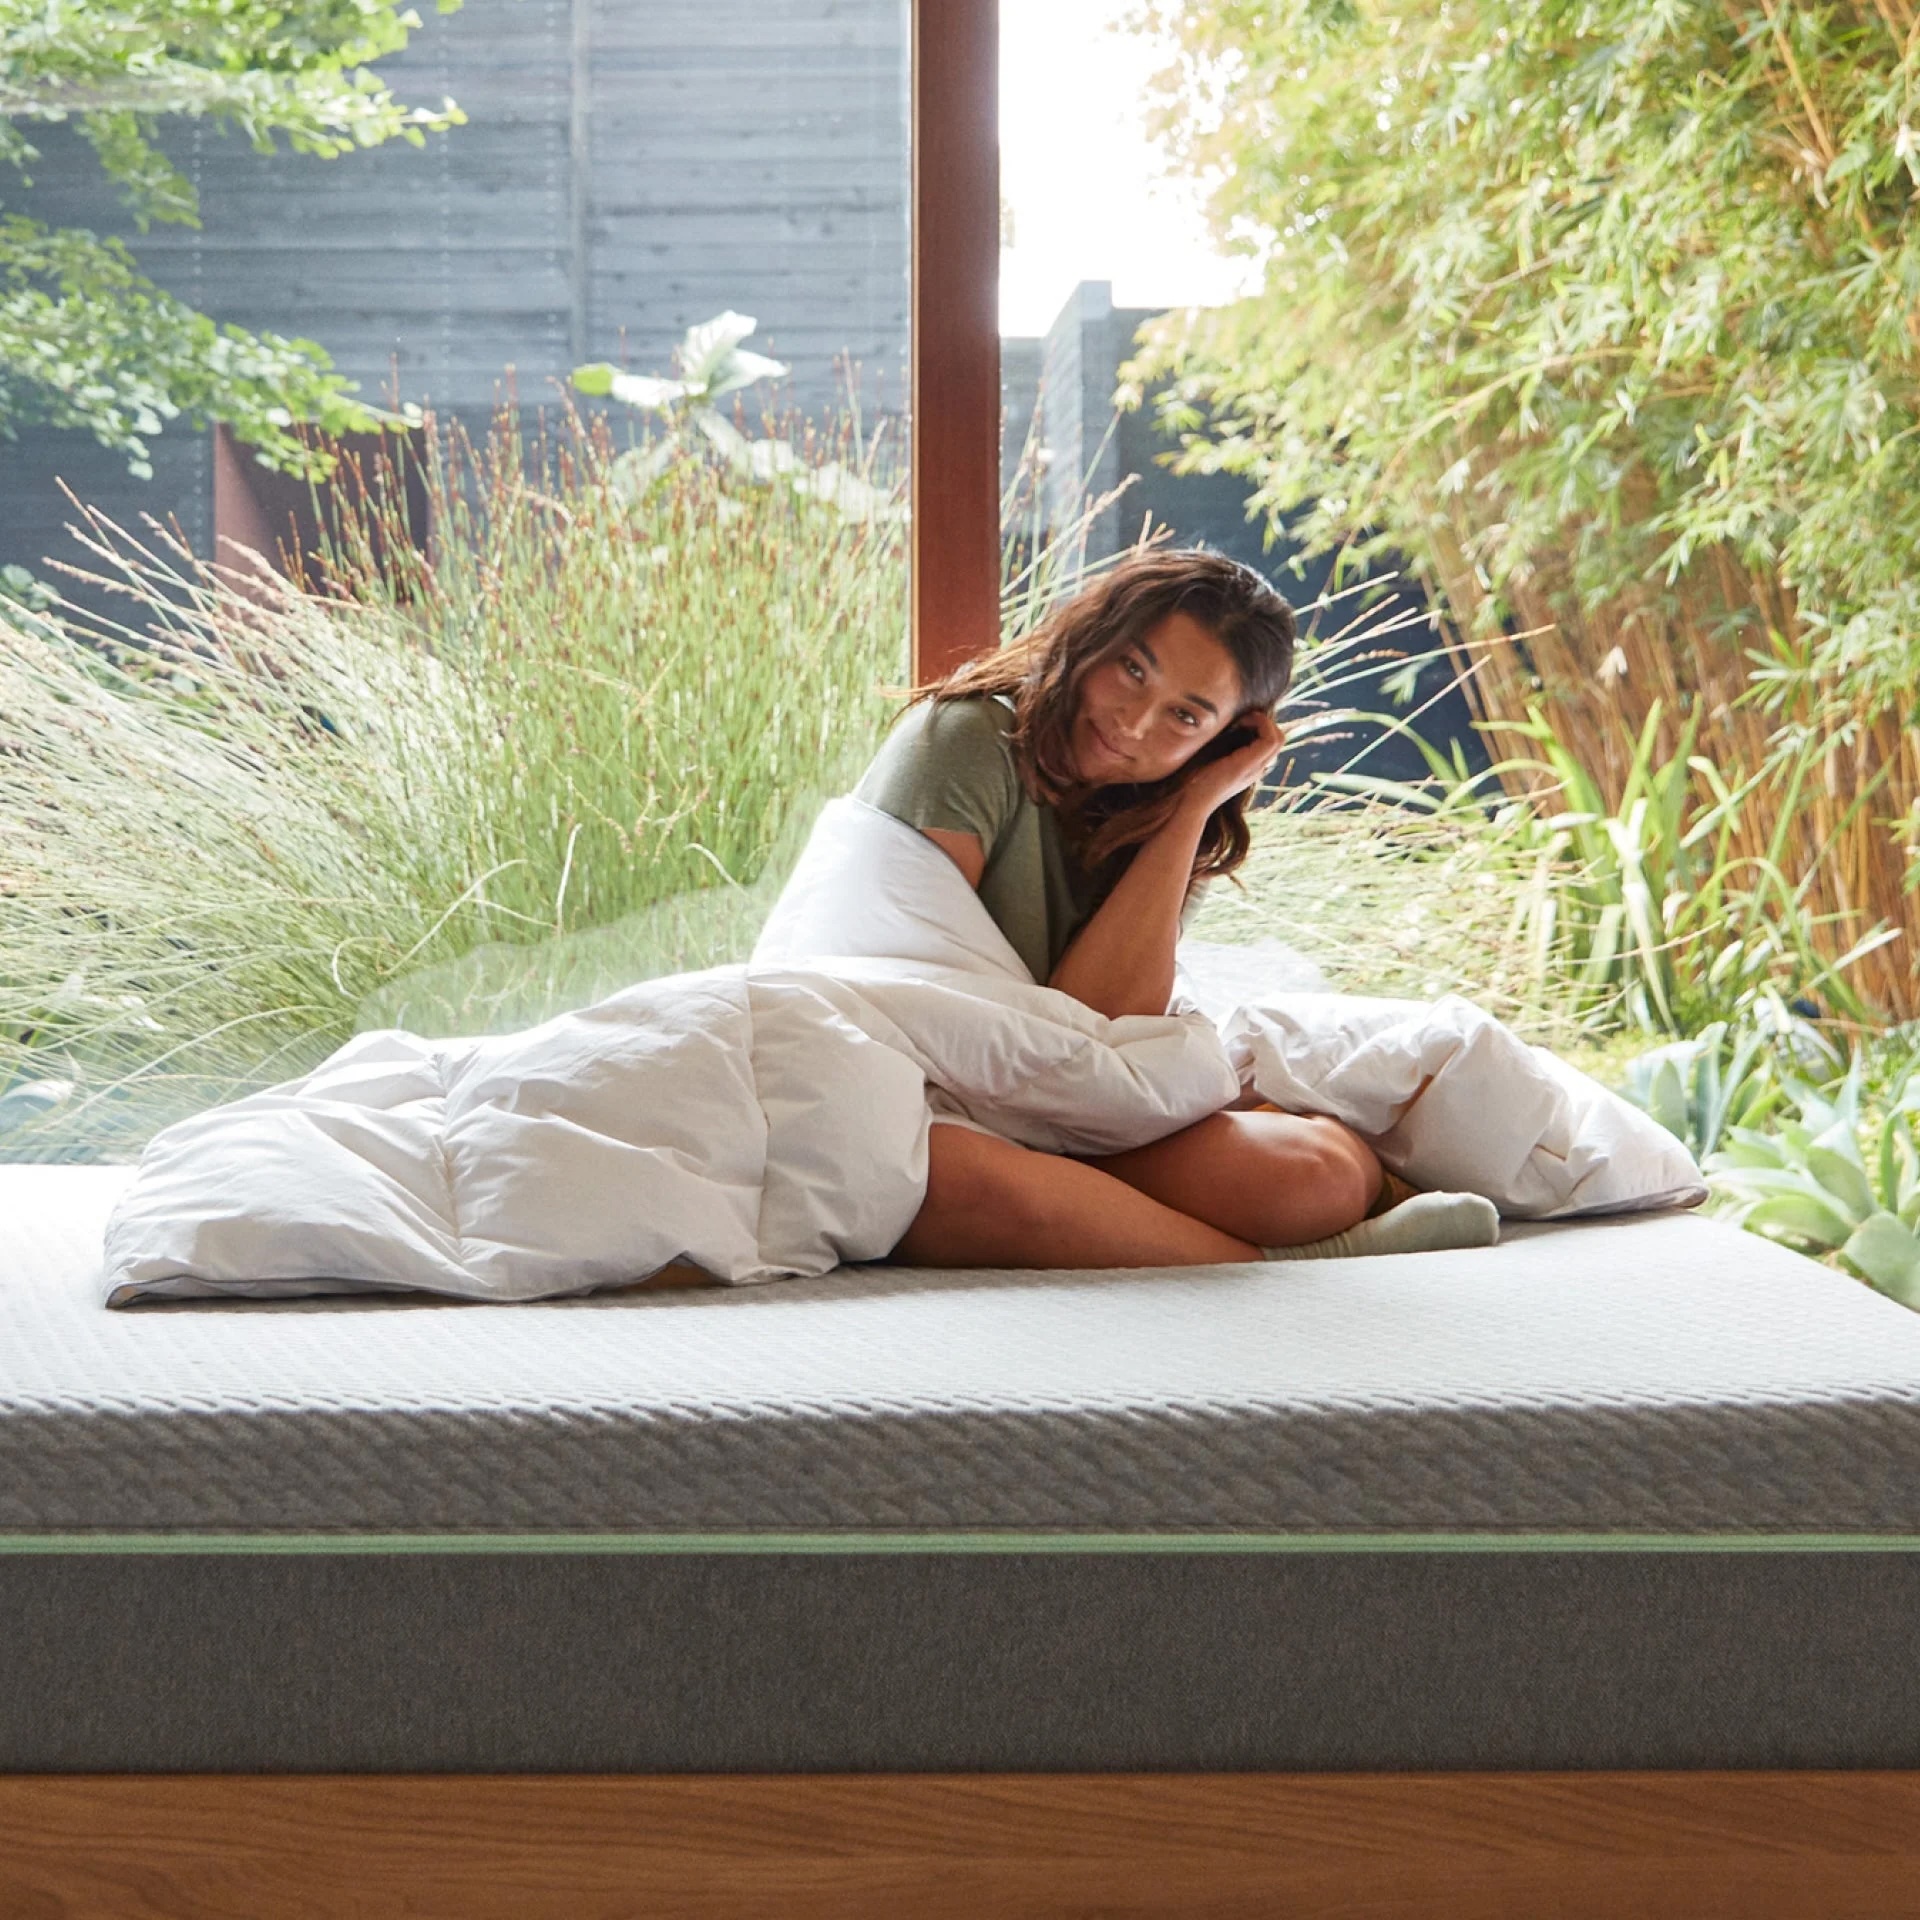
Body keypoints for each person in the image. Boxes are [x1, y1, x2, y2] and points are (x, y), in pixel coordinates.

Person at [854, 547, 1498, 1269]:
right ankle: (1269, 1264)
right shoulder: (963, 740)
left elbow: (1100, 1029)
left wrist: (1194, 806)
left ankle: (1106, 1211)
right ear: (1092, 634)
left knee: (1324, 1171)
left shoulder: (1166, 808)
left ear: (1221, 742)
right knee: (933, 1176)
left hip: (1059, 1105)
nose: (1134, 724)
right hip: (922, 1095)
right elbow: (903, 990)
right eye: (1133, 669)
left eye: (1184, 717)